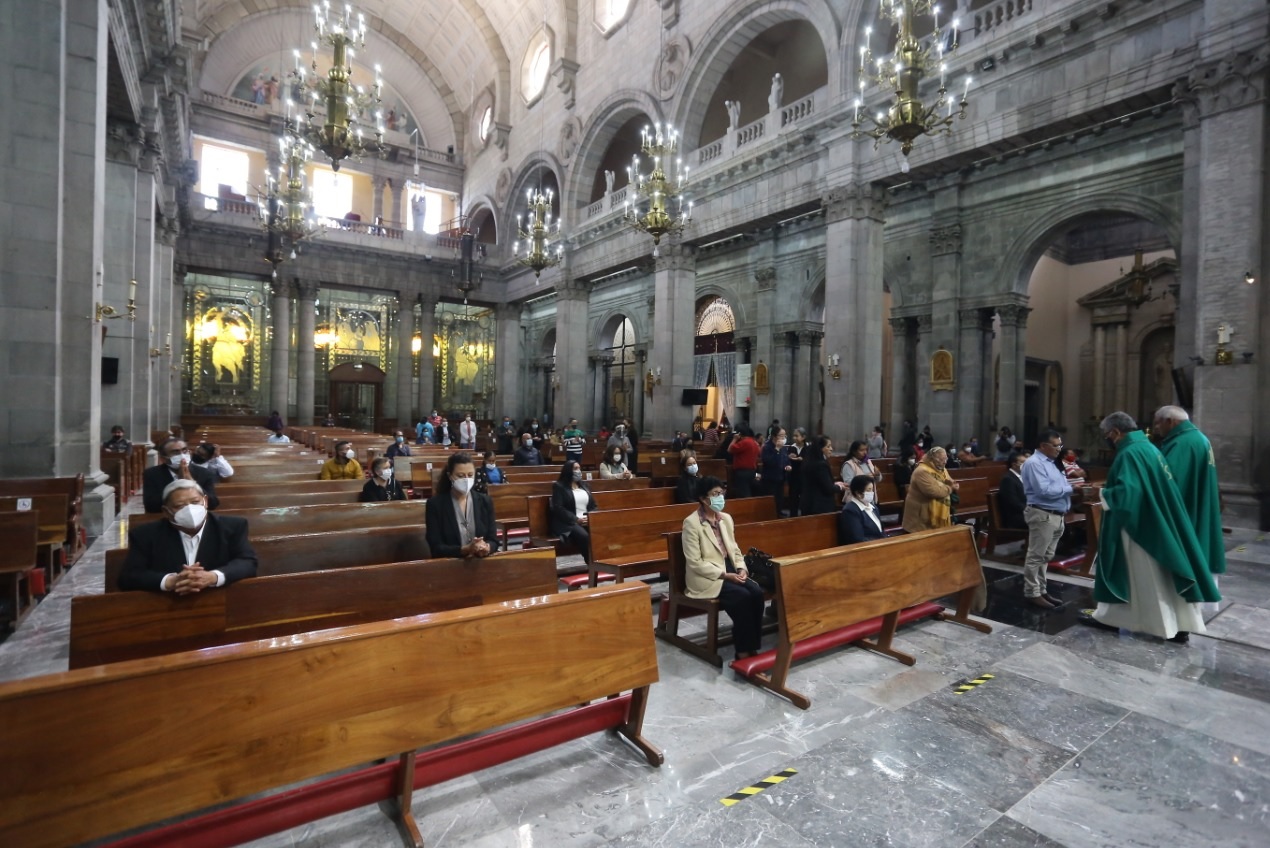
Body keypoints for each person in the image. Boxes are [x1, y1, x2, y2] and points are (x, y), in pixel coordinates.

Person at [1089, 411, 1220, 642]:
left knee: (1144, 577)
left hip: (1139, 527)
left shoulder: (1130, 452)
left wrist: (1102, 493)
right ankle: (1177, 623)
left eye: (1107, 434)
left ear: (1116, 432)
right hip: (1155, 520)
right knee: (1162, 578)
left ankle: (1155, 624)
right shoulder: (1148, 448)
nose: (1107, 439)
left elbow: (1128, 493)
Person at [681, 476, 765, 660]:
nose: (720, 497)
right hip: (707, 575)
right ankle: (743, 651)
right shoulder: (692, 523)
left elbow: (734, 549)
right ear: (703, 499)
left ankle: (752, 645)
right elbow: (695, 562)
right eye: (715, 494)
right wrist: (725, 575)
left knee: (757, 593)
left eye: (721, 493)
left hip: (730, 568)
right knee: (742, 597)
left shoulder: (725, 519)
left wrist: (742, 568)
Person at [119, 479, 255, 592]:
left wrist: (213, 577)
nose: (190, 510)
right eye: (179, 506)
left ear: (205, 501)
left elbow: (247, 562)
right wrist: (170, 581)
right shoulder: (145, 534)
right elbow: (129, 576)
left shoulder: (232, 527)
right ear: (166, 511)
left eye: (195, 502)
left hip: (218, 602)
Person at [1153, 405, 1226, 578]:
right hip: (1199, 503)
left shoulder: (1182, 443)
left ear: (1170, 421)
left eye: (1158, 423)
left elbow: (1170, 480)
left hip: (1188, 508)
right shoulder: (1198, 438)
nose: (1156, 428)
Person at [1020, 431, 1075, 609]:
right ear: (1043, 446)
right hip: (1042, 514)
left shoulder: (1053, 463)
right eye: (1056, 445)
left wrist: (1069, 488)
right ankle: (1032, 592)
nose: (1060, 449)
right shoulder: (1034, 463)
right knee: (1036, 556)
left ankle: (1041, 590)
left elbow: (1059, 486)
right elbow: (1044, 491)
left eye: (1060, 445)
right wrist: (1071, 489)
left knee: (1046, 556)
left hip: (1056, 514)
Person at [426, 452, 497, 559]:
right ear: (450, 476)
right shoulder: (435, 505)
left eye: (470, 475)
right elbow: (436, 548)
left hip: (481, 562)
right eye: (460, 476)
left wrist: (487, 547)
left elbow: (494, 540)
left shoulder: (485, 501)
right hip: (451, 564)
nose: (466, 480)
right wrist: (465, 549)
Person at [142, 438, 221, 513]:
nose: (182, 455)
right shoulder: (152, 474)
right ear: (163, 459)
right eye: (175, 452)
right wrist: (178, 484)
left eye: (184, 451)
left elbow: (213, 504)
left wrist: (192, 483)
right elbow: (150, 506)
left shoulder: (204, 473)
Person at [901, 446, 957, 533]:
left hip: (933, 515)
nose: (945, 462)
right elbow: (933, 492)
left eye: (946, 458)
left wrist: (953, 484)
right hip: (920, 517)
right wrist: (950, 488)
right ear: (933, 459)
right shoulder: (922, 471)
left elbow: (949, 481)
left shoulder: (941, 469)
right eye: (942, 459)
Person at [550, 460, 597, 562]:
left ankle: (602, 561)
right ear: (568, 471)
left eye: (579, 468)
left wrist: (590, 517)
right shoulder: (559, 487)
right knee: (584, 536)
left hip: (586, 519)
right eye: (575, 468)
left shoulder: (584, 486)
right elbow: (559, 508)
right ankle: (591, 563)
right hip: (568, 523)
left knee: (600, 533)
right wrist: (576, 519)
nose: (578, 471)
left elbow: (593, 506)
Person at [801, 435, 846, 515]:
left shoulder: (809, 461)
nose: (831, 449)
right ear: (820, 448)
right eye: (828, 446)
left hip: (808, 504)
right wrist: (840, 487)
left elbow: (818, 483)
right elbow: (828, 488)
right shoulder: (821, 465)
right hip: (820, 507)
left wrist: (834, 484)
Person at [839, 475, 886, 545]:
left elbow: (881, 532)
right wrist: (879, 543)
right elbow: (857, 539)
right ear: (858, 493)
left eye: (872, 490)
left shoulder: (873, 507)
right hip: (865, 548)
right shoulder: (850, 511)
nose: (872, 493)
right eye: (869, 490)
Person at [997, 449, 1032, 530]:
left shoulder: (1023, 477)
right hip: (1016, 517)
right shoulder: (1008, 479)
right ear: (1014, 464)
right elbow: (1013, 502)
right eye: (1023, 462)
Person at [759, 427, 791, 515]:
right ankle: (771, 514)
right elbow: (768, 461)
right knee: (771, 499)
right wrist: (776, 449)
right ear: (774, 436)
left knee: (780, 497)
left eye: (784, 435)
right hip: (770, 478)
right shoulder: (767, 447)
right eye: (781, 435)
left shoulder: (783, 447)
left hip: (781, 477)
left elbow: (786, 459)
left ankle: (779, 512)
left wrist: (788, 465)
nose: (783, 437)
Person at [727, 423, 760, 499]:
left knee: (744, 495)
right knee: (750, 492)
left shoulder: (744, 442)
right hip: (752, 471)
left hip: (742, 472)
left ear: (740, 434)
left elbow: (729, 449)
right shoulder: (754, 442)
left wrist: (734, 439)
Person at [784, 428, 808, 515]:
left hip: (805, 477)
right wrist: (789, 457)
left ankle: (805, 515)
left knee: (805, 498)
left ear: (803, 437)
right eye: (794, 436)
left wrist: (803, 459)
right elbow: (786, 461)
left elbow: (810, 461)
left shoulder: (808, 447)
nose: (794, 438)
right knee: (793, 498)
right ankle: (793, 516)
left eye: (797, 436)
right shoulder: (791, 447)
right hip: (794, 476)